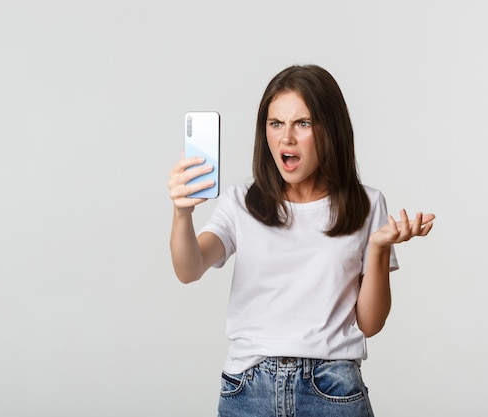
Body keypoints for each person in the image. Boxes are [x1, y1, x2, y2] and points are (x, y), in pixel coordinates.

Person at [168, 64, 434, 417]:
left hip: (333, 387)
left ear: (330, 130)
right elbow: (189, 268)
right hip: (249, 388)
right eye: (275, 123)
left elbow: (371, 323)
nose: (286, 138)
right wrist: (182, 214)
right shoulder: (240, 201)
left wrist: (378, 249)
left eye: (302, 123)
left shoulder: (366, 204)